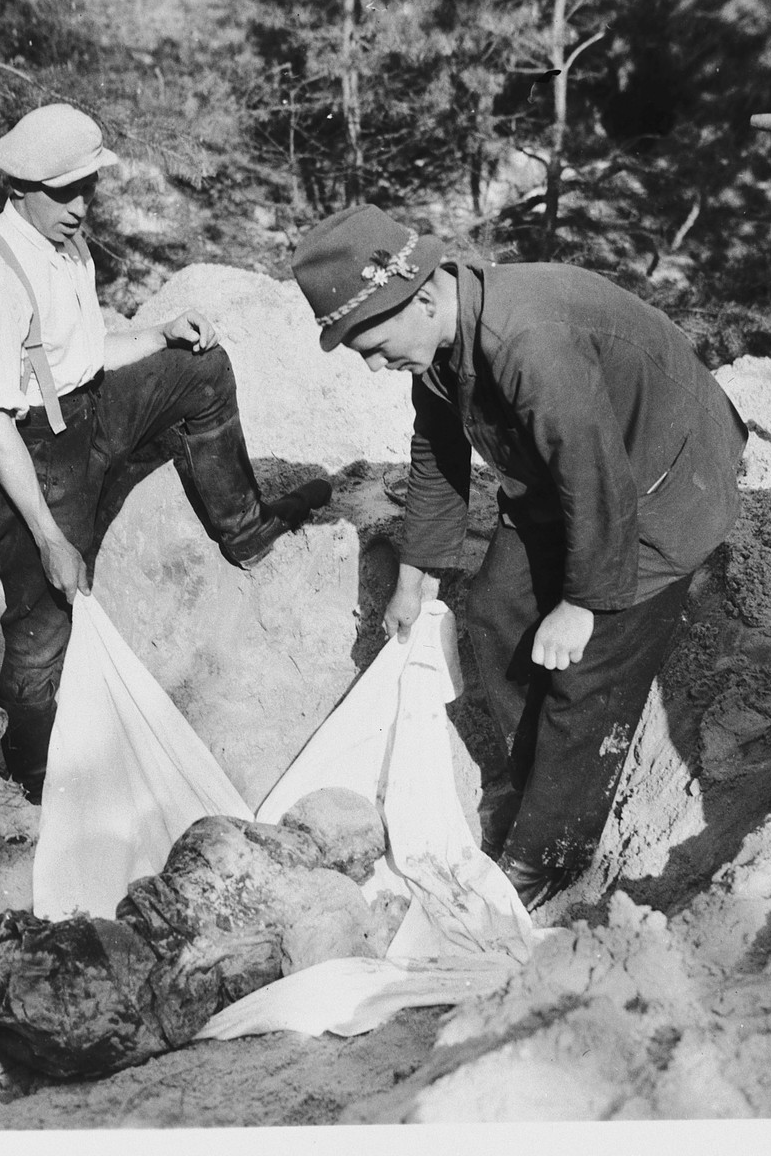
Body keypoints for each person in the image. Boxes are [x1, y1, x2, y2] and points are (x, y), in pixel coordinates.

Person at [292, 205, 747, 908]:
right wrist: (416, 575)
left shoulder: (526, 340)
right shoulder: (443, 334)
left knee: (585, 671)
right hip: (566, 469)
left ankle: (547, 855)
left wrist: (583, 603)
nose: (378, 365)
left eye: (375, 345)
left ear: (421, 296)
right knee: (498, 608)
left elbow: (595, 473)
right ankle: (533, 784)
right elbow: (436, 451)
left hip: (660, 478)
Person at [0, 103, 330, 803]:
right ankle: (33, 777)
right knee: (44, 623)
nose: (80, 207)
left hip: (91, 412)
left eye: (87, 189)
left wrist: (160, 332)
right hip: (35, 453)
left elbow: (88, 354)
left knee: (200, 368)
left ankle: (243, 529)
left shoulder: (66, 246)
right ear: (21, 189)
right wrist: (51, 536)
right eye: (65, 193)